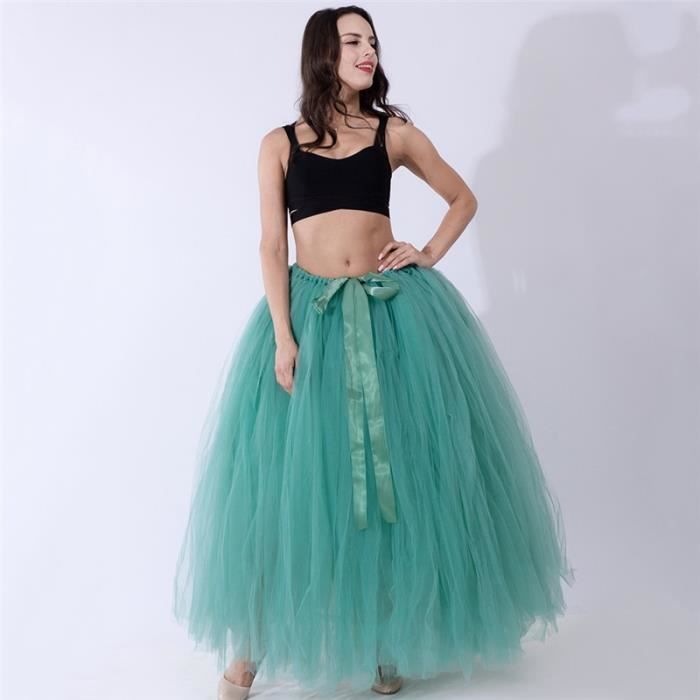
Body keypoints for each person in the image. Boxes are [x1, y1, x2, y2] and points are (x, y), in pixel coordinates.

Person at [172, 5, 575, 699]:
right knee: (289, 486)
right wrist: (283, 334)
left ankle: (388, 640)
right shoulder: (279, 144)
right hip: (312, 318)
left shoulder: (394, 133)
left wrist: (428, 252)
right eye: (352, 41)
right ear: (322, 54)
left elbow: (462, 198)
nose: (368, 51)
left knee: (396, 478)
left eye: (373, 41)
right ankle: (248, 651)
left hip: (390, 317)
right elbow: (271, 245)